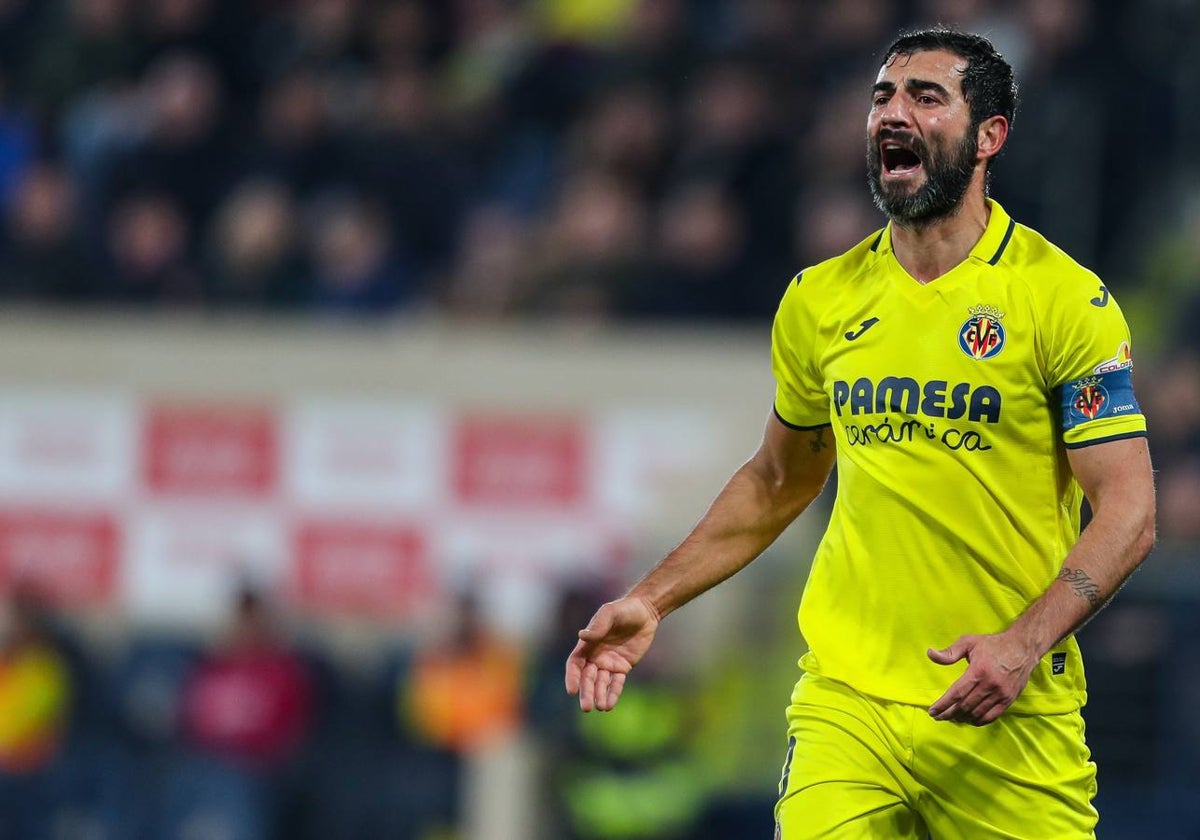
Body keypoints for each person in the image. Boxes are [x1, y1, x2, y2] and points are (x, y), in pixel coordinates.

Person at [565, 27, 1156, 840]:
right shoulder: (821, 300)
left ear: (990, 136)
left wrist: (1022, 645)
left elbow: (1129, 509)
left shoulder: (1064, 301)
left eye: (925, 97)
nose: (892, 113)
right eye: (882, 96)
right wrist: (650, 598)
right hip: (849, 706)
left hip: (1010, 716)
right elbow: (779, 480)